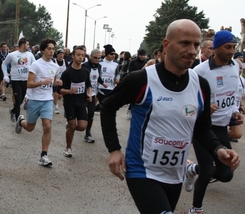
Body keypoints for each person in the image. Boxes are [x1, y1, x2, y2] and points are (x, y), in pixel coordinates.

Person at [99, 19, 240, 214]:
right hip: (143, 172)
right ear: (167, 45)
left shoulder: (200, 85)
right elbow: (107, 108)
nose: (192, 50)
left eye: (196, 45)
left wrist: (218, 149)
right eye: (185, 43)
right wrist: (114, 150)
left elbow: (202, 129)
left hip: (175, 175)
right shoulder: (141, 79)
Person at [187, 30, 243, 213]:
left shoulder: (235, 66)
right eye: (228, 47)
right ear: (216, 48)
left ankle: (191, 169)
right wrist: (202, 106)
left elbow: (234, 94)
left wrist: (235, 110)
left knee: (226, 174)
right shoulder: (199, 71)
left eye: (234, 47)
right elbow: (186, 99)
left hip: (220, 127)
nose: (231, 51)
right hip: (202, 127)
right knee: (207, 171)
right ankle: (196, 209)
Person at [15, 38, 61, 167]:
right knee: (30, 128)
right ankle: (21, 121)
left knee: (47, 126)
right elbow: (28, 84)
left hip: (47, 100)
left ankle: (44, 155)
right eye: (49, 49)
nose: (52, 51)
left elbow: (53, 82)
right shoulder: (36, 65)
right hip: (34, 99)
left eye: (53, 49)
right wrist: (42, 82)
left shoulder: (55, 66)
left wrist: (57, 83)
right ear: (42, 50)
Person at [59, 46, 92, 157]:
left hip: (81, 102)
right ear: (72, 56)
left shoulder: (86, 71)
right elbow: (60, 90)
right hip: (70, 102)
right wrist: (69, 91)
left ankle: (69, 127)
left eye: (82, 55)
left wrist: (89, 94)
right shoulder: (67, 73)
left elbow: (89, 85)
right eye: (78, 55)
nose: (80, 57)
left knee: (82, 126)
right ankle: (68, 148)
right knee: (73, 125)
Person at [1, 37, 35, 123]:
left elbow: (35, 66)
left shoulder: (30, 55)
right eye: (27, 44)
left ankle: (13, 111)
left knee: (20, 100)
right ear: (23, 45)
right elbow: (4, 64)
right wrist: (5, 74)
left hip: (26, 80)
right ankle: (18, 121)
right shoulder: (12, 55)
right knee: (18, 99)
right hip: (16, 80)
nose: (29, 46)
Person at [82, 49, 107, 143]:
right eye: (95, 58)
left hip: (92, 93)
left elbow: (98, 77)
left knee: (91, 112)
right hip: (83, 92)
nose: (97, 59)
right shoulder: (85, 66)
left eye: (99, 58)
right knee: (81, 111)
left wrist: (103, 83)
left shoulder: (99, 66)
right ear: (91, 57)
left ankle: (88, 133)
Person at [53, 48, 67, 114]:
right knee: (55, 94)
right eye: (60, 54)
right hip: (55, 80)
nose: (61, 56)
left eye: (62, 54)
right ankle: (56, 107)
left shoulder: (65, 62)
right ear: (57, 55)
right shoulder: (54, 61)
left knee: (60, 95)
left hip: (63, 81)